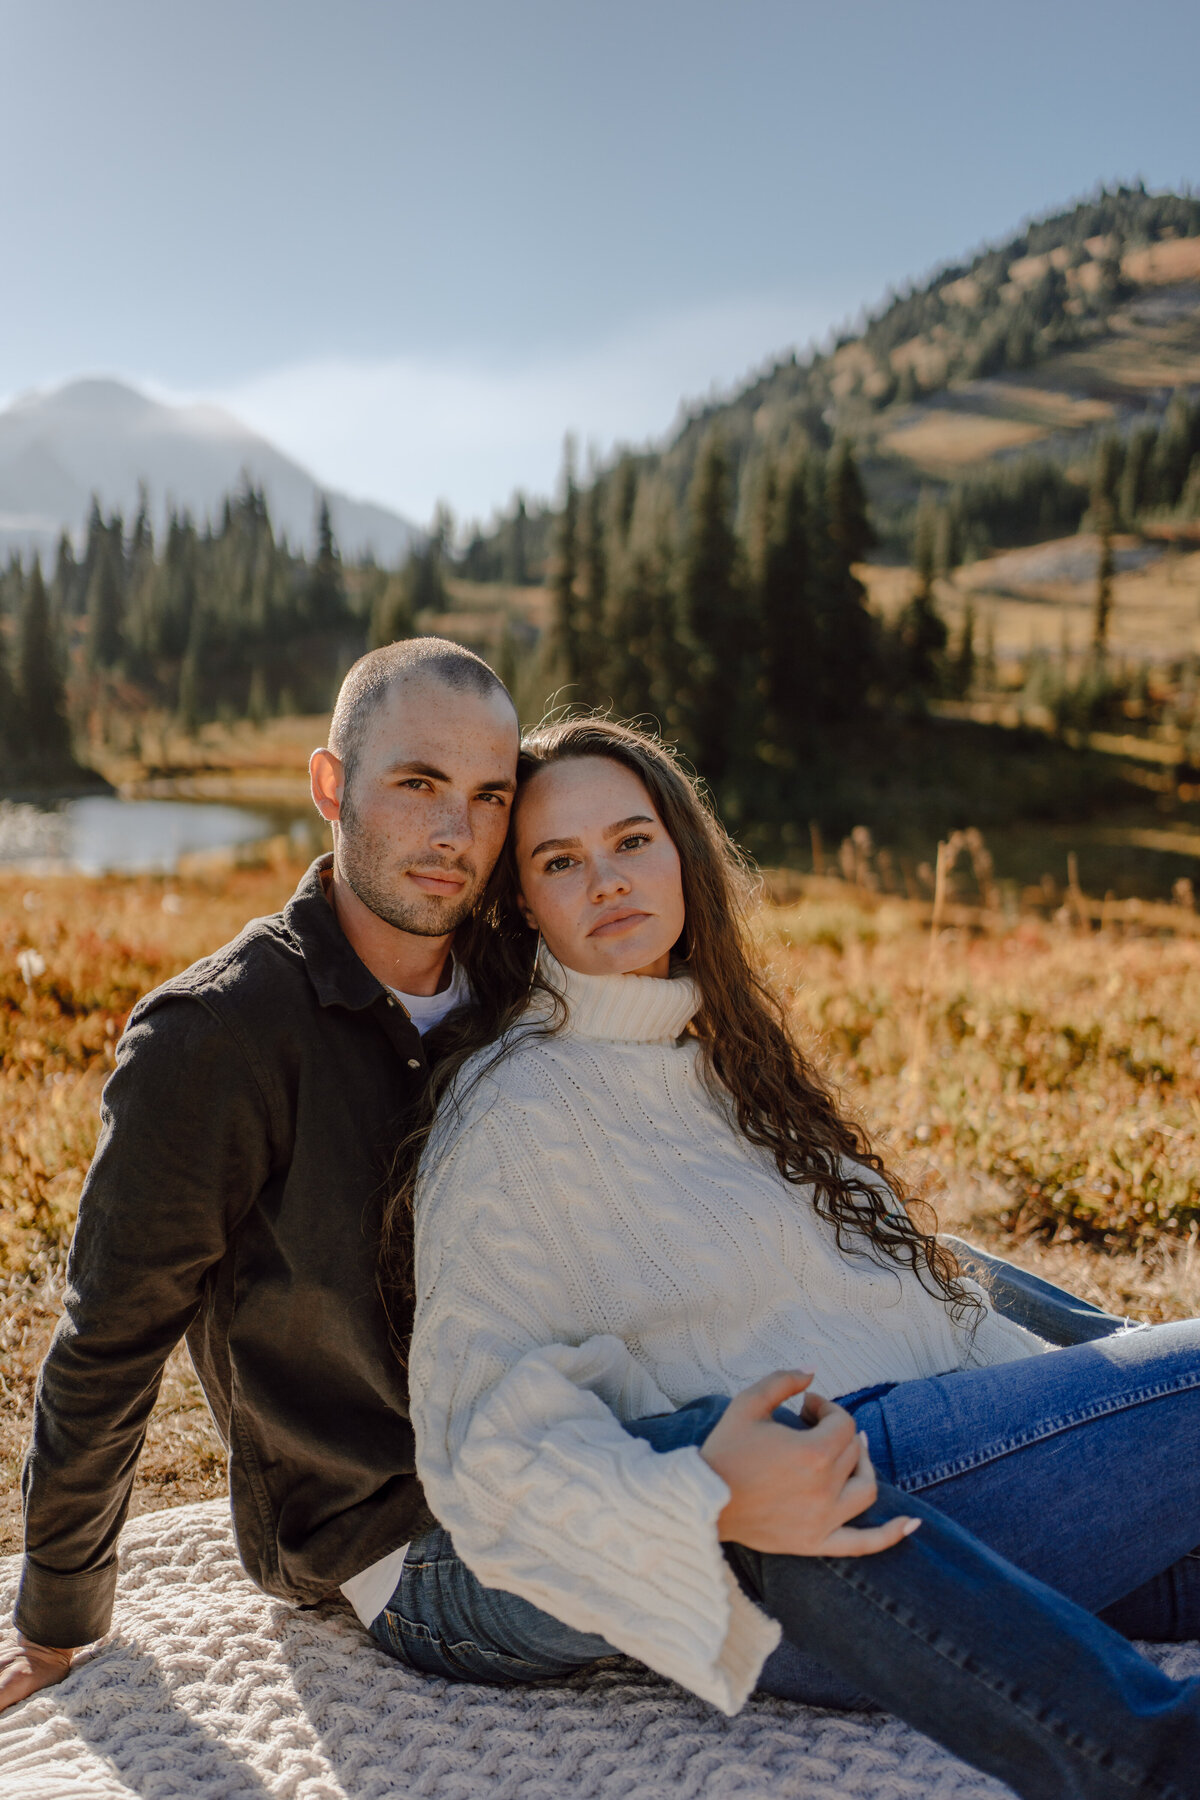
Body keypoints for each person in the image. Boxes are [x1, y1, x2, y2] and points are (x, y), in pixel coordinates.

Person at [378, 715, 1200, 1800]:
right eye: (560, 862)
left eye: (632, 842)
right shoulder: (515, 1114)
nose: (607, 880)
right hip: (833, 1496)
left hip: (960, 1481)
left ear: (681, 852)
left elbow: (911, 1278)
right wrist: (698, 1496)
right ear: (521, 903)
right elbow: (482, 1430)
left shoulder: (718, 1052)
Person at [0, 637, 521, 1713]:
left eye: (489, 798)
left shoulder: (515, 992)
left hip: (550, 1458)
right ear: (330, 784)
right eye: (418, 784)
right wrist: (54, 1623)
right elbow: (111, 1335)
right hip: (385, 1532)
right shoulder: (216, 1035)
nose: (455, 834)